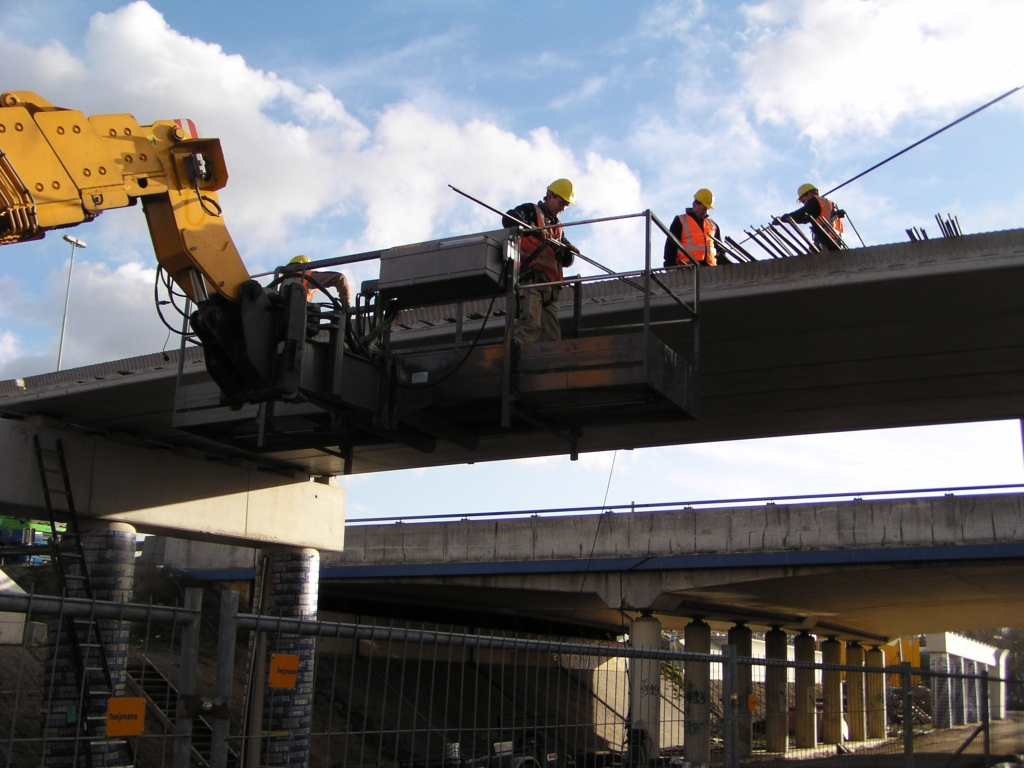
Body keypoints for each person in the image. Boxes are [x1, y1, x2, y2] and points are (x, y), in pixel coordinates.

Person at [503, 179, 580, 343]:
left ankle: (548, 368)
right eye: (561, 202)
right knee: (529, 327)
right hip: (532, 281)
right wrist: (531, 227)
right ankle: (514, 361)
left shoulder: (557, 226)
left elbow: (566, 260)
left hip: (550, 290)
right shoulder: (531, 211)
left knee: (552, 337)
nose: (563, 208)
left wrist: (567, 251)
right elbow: (509, 218)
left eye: (566, 205)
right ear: (550, 196)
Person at [776, 183, 846, 251]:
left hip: (828, 239)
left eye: (804, 201)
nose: (804, 204)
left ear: (809, 194)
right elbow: (805, 217)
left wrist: (783, 218)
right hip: (836, 240)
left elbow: (802, 214)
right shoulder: (828, 203)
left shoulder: (815, 201)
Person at [663, 188, 720, 267]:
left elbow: (720, 251)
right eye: (703, 208)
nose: (706, 212)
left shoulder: (713, 225)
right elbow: (670, 247)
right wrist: (669, 266)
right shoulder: (681, 220)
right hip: (687, 268)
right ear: (695, 205)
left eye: (708, 209)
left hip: (711, 270)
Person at [287, 255, 351, 306]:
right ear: (307, 267)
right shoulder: (308, 276)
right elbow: (339, 278)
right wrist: (346, 304)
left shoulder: (284, 281)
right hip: (299, 313)